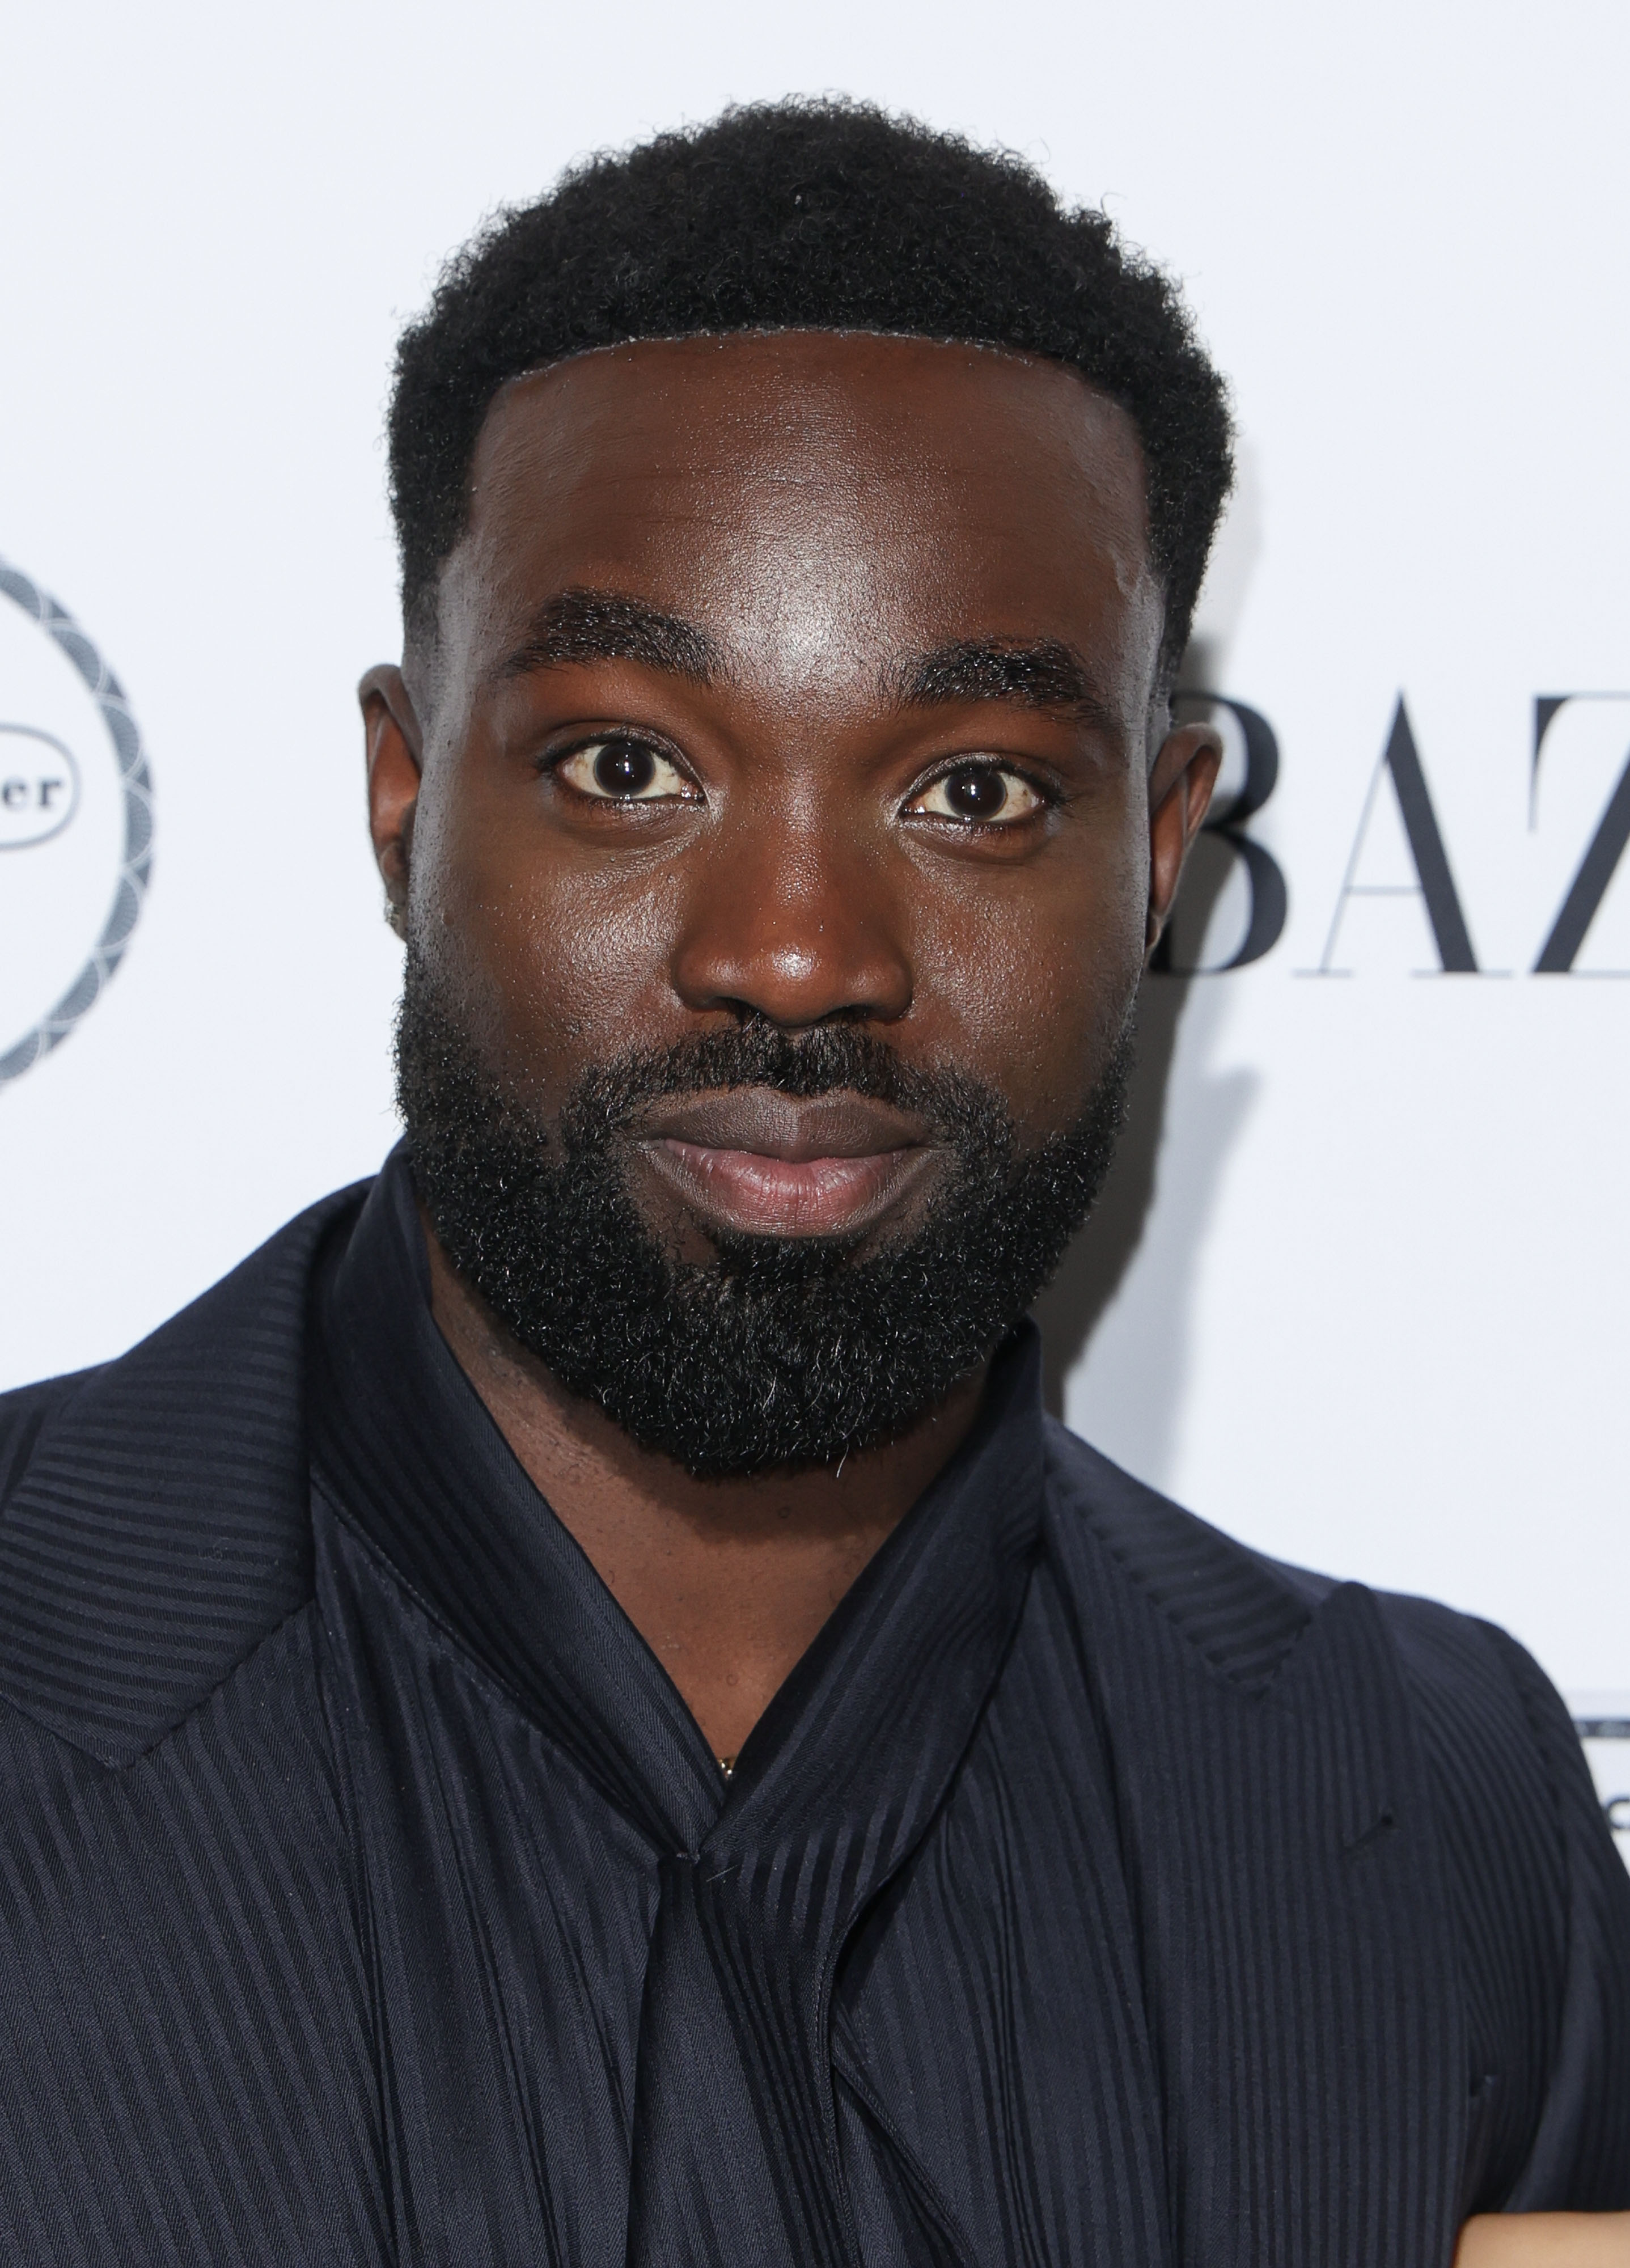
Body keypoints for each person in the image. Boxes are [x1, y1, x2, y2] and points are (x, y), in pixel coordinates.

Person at [0, 100, 1625, 2267]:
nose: (795, 952)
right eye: (626, 767)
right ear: (403, 798)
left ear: (1158, 848)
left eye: (968, 790)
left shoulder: (1430, 1807)